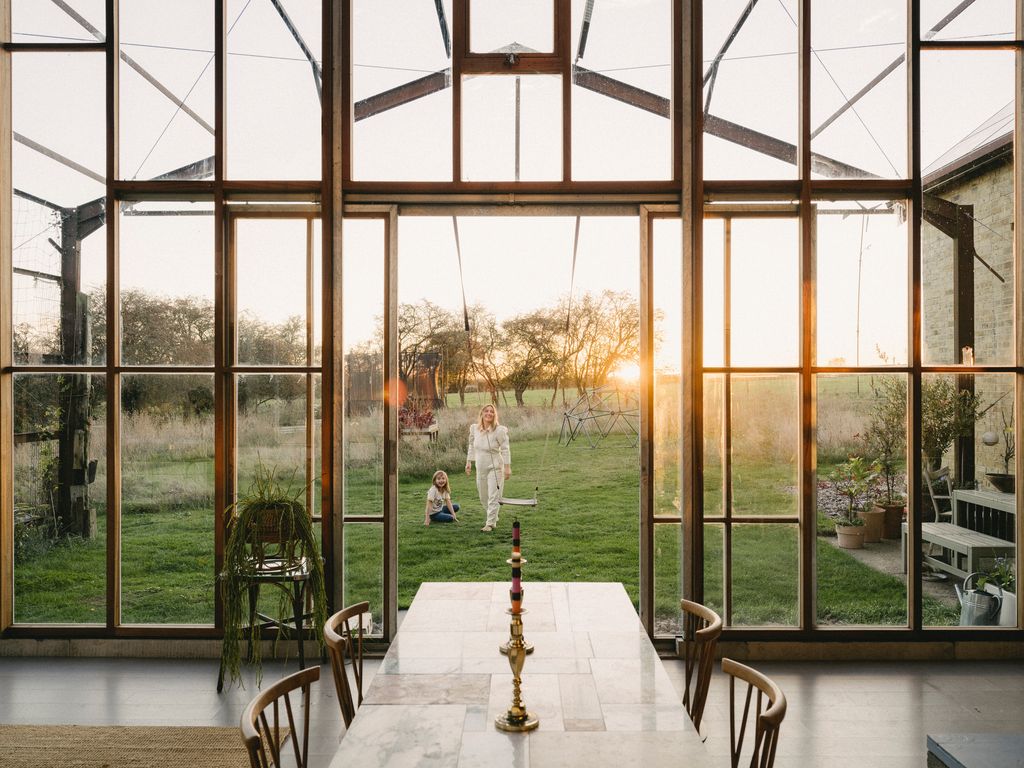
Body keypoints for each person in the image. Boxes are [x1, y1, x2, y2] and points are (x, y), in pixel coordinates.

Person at [465, 403, 511, 532]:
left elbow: (506, 449)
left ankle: (490, 524)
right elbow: (471, 446)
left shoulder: (499, 430)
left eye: (492, 411)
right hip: (480, 468)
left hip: (495, 467)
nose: (489, 413)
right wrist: (468, 462)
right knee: (483, 497)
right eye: (486, 411)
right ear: (482, 413)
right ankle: (494, 516)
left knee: (493, 496)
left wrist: (507, 468)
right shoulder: (474, 428)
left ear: (494, 415)